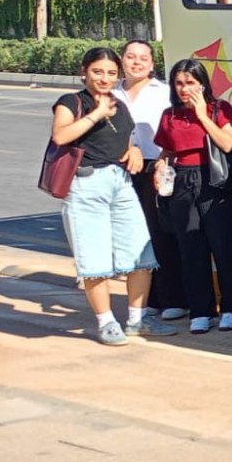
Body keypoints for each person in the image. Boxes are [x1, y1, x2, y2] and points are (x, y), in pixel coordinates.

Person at [50, 46, 166, 346]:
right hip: (86, 185)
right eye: (98, 72)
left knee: (141, 254)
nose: (105, 78)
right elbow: (61, 135)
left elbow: (123, 138)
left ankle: (137, 320)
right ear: (84, 71)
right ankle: (106, 322)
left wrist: (133, 149)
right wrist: (97, 114)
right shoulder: (72, 102)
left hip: (121, 182)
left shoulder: (118, 103)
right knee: (94, 259)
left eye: (111, 73)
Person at [151, 58, 232, 333]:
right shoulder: (170, 115)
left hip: (214, 179)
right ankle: (201, 310)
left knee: (223, 246)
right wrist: (159, 166)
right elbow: (167, 150)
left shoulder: (219, 109)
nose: (184, 89)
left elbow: (227, 143)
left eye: (190, 82)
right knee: (190, 248)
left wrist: (202, 115)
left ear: (202, 84)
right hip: (182, 180)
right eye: (179, 83)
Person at [114, 39, 183, 325]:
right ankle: (146, 299)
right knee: (133, 234)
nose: (137, 62)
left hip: (156, 166)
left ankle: (173, 299)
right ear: (122, 60)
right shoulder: (111, 93)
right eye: (131, 57)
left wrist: (163, 164)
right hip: (119, 169)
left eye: (143, 58)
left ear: (152, 63)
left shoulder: (164, 93)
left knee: (161, 233)